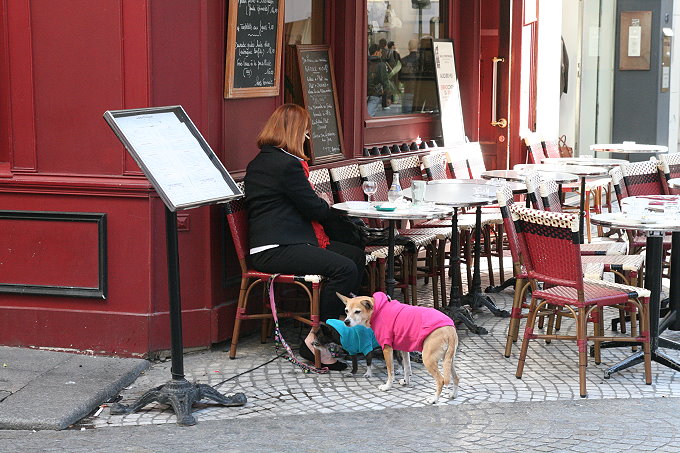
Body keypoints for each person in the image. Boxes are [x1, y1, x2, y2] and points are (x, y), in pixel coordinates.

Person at [244, 104, 365, 370]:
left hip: (282, 242)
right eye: (305, 132)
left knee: (355, 256)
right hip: (276, 248)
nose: (306, 137)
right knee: (344, 268)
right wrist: (322, 201)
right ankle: (315, 341)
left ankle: (344, 331)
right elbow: (313, 208)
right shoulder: (287, 165)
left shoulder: (262, 160)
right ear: (296, 132)